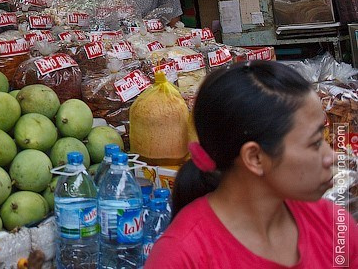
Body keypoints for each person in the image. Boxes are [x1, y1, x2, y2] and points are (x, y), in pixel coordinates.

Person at [145, 61, 358, 268]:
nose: (332, 157)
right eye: (314, 143)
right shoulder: (182, 256)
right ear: (255, 158)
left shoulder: (334, 225)